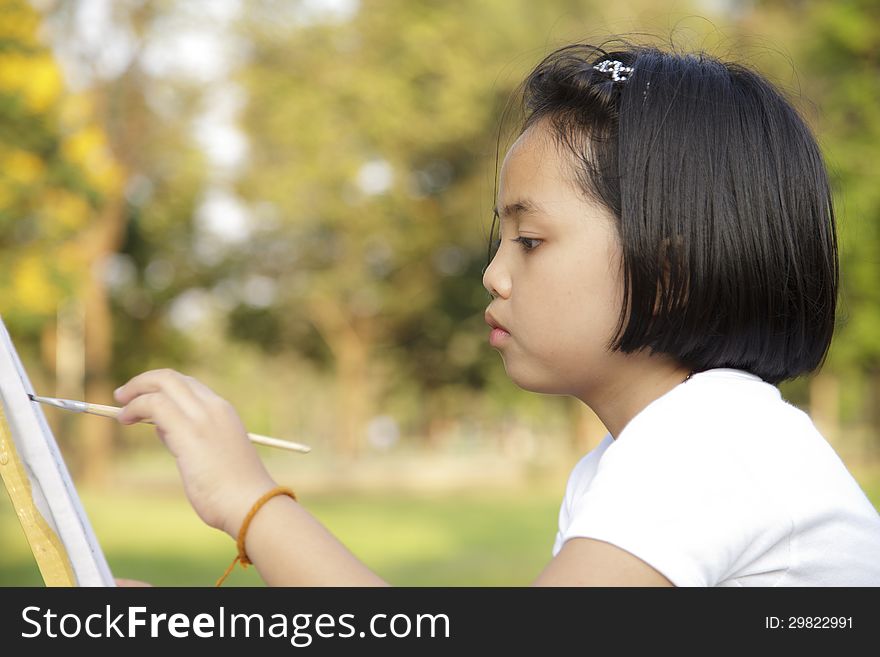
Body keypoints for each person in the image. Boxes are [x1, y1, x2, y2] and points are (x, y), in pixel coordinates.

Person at [114, 39, 880, 586]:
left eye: (532, 239)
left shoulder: (710, 441)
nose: (494, 272)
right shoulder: (639, 458)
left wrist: (252, 503)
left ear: (669, 266)